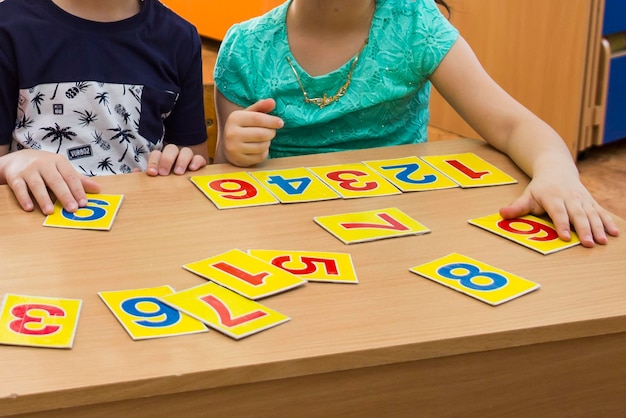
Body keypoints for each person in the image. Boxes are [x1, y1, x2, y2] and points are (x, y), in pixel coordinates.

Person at [213, 0, 619, 248]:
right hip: (282, 240)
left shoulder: (415, 25)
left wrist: (557, 172)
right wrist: (234, 150)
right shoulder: (245, 47)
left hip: (401, 234)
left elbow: (513, 125)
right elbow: (221, 180)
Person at [0, 0, 209, 215]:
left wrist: (178, 163)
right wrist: (10, 165)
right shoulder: (8, 26)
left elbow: (194, 163)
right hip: (36, 222)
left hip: (143, 222)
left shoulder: (179, 37)